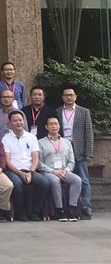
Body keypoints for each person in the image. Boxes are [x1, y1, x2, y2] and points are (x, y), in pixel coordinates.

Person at [2, 110, 51, 221]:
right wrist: (20, 173)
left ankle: (35, 212)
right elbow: (7, 161)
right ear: (10, 123)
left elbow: (35, 158)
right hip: (14, 171)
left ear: (23, 121)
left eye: (20, 120)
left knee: (44, 183)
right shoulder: (6, 138)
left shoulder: (31, 137)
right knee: (17, 184)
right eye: (15, 121)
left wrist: (31, 172)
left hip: (30, 170)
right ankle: (21, 212)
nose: (18, 122)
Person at [57, 86, 94, 219]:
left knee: (83, 179)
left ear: (75, 97)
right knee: (65, 177)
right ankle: (70, 207)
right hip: (62, 148)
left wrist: (89, 151)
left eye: (71, 95)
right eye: (66, 95)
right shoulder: (57, 111)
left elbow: (89, 132)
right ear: (62, 97)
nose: (68, 97)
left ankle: (86, 206)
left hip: (78, 148)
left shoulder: (84, 112)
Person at [38, 115, 81, 222]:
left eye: (56, 124)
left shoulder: (67, 142)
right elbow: (39, 162)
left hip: (64, 171)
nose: (54, 126)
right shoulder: (40, 142)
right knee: (55, 181)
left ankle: (71, 209)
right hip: (48, 172)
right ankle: (60, 210)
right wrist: (53, 171)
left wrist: (65, 170)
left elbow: (71, 161)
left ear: (59, 126)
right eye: (51, 124)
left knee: (77, 180)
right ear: (46, 127)